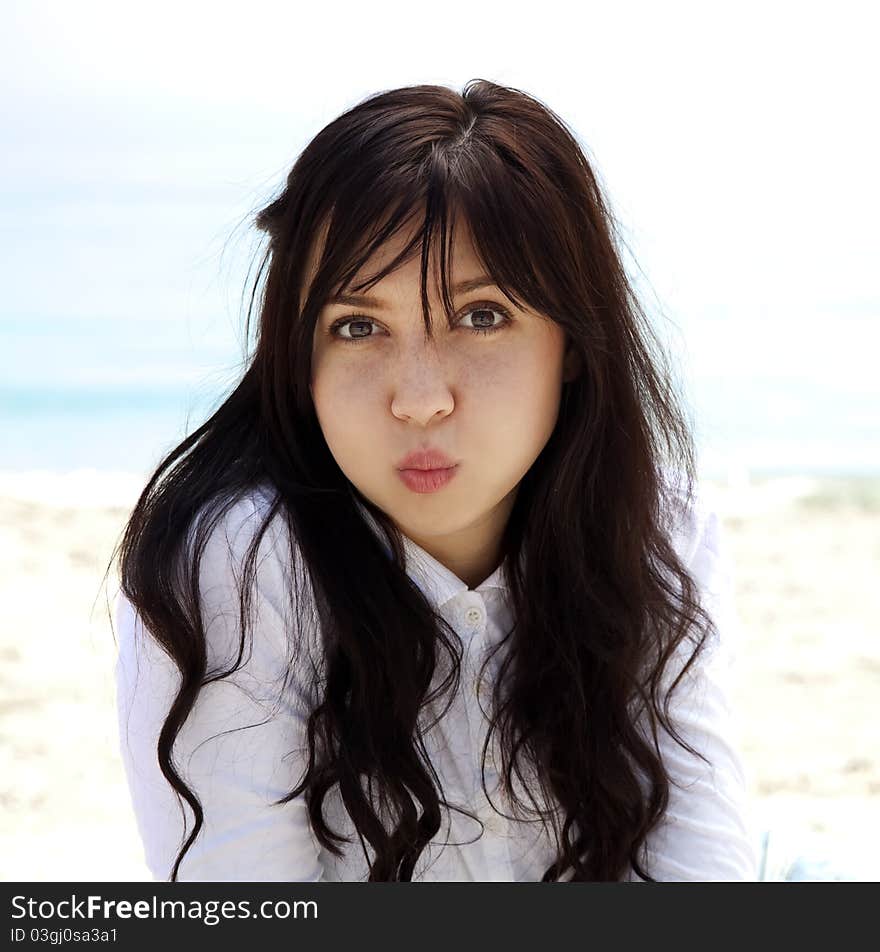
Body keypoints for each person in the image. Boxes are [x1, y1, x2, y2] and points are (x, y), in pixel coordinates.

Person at [111, 78, 759, 882]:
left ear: (576, 344)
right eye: (358, 327)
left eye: (480, 316)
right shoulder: (239, 567)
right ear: (298, 357)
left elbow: (704, 862)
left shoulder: (653, 522)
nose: (419, 400)